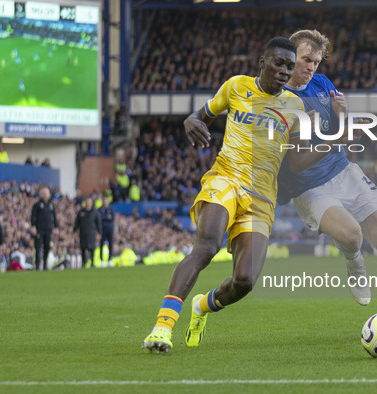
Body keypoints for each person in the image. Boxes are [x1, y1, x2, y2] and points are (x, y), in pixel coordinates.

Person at [142, 37, 347, 354]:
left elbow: (298, 161)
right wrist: (190, 121)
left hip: (262, 197)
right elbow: (201, 116)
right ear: (263, 60)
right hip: (226, 179)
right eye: (279, 63)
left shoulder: (296, 108)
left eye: (289, 66)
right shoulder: (236, 87)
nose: (284, 70)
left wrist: (336, 141)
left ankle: (203, 307)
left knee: (245, 282)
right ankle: (162, 328)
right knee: (206, 247)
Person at [276, 30, 377, 340]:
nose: (311, 68)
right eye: (306, 60)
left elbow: (340, 131)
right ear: (290, 57)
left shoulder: (322, 84)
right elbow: (296, 163)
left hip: (343, 169)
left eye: (316, 62)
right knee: (352, 235)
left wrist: (344, 117)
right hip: (309, 186)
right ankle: (353, 261)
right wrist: (337, 137)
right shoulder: (280, 100)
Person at [31, 187, 58, 270]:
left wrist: (56, 227)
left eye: (47, 193)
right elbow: (33, 217)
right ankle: (37, 264)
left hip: (48, 229)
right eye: (44, 193)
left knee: (47, 246)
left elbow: (54, 217)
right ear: (41, 194)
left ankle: (45, 264)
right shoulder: (37, 205)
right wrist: (33, 226)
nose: (46, 195)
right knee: (38, 246)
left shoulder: (51, 205)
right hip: (39, 229)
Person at [73, 197, 102, 268]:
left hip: (92, 232)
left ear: (91, 203)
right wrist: (74, 231)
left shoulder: (95, 213)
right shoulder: (81, 212)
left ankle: (92, 262)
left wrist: (99, 233)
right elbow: (77, 223)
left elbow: (98, 223)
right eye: (87, 201)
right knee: (83, 247)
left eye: (89, 202)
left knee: (92, 247)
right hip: (83, 232)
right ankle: (84, 263)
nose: (88, 203)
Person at [98, 196, 115, 260]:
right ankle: (101, 259)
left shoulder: (111, 209)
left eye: (106, 201)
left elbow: (112, 218)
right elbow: (99, 218)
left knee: (110, 244)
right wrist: (107, 217)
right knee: (101, 244)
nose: (105, 203)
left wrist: (104, 217)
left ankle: (110, 258)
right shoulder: (99, 209)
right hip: (102, 229)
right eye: (104, 201)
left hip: (109, 229)